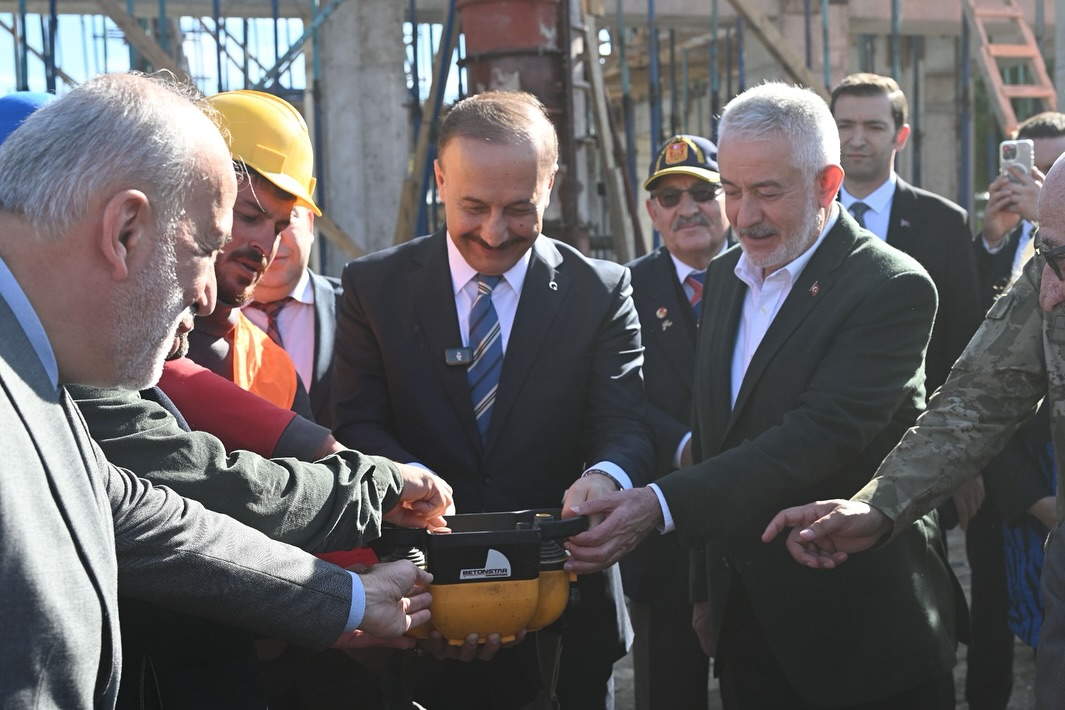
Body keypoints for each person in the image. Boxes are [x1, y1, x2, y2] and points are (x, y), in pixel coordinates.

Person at [0, 72, 431, 709]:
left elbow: (151, 521)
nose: (206, 294)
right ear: (124, 230)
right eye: (207, 244)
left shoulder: (47, 373)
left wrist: (354, 600)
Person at [563, 82, 962, 709]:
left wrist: (661, 504)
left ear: (828, 185)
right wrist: (705, 590)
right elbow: (714, 428)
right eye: (732, 190)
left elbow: (817, 435)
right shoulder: (726, 277)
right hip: (746, 627)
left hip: (861, 636)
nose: (743, 216)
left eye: (767, 192)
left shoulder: (890, 285)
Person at [332, 89, 654, 709]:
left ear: (552, 184)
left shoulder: (602, 291)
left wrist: (605, 477)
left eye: (519, 209)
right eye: (473, 206)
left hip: (565, 612)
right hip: (420, 601)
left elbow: (624, 424)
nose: (494, 231)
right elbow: (356, 426)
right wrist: (406, 478)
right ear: (440, 178)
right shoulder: (374, 288)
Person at [761, 153, 1065, 710]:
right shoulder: (1054, 272)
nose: (1049, 293)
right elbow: (976, 399)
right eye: (1045, 256)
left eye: (1063, 262)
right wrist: (880, 506)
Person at [621, 133, 728, 710]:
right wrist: (683, 443)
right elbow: (620, 398)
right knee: (667, 690)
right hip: (664, 533)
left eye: (703, 191)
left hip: (749, 521)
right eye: (670, 197)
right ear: (652, 212)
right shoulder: (624, 289)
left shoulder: (765, 279)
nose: (687, 207)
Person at [184, 89, 316, 416]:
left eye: (278, 227)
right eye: (249, 217)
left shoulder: (276, 373)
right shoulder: (115, 336)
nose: (266, 245)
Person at [247, 205, 342, 426]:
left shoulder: (358, 308)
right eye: (252, 218)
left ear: (310, 224)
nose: (273, 238)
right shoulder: (199, 320)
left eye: (287, 218)